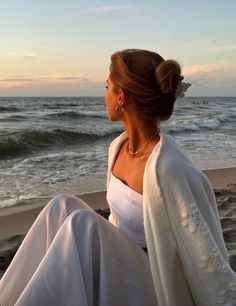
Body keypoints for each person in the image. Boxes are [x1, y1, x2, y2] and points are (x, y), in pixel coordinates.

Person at [0, 49, 235, 306]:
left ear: (121, 96)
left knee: (81, 224)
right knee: (61, 204)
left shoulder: (169, 168)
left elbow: (204, 250)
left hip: (152, 280)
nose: (105, 96)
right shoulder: (118, 148)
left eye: (107, 87)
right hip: (120, 264)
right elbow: (115, 223)